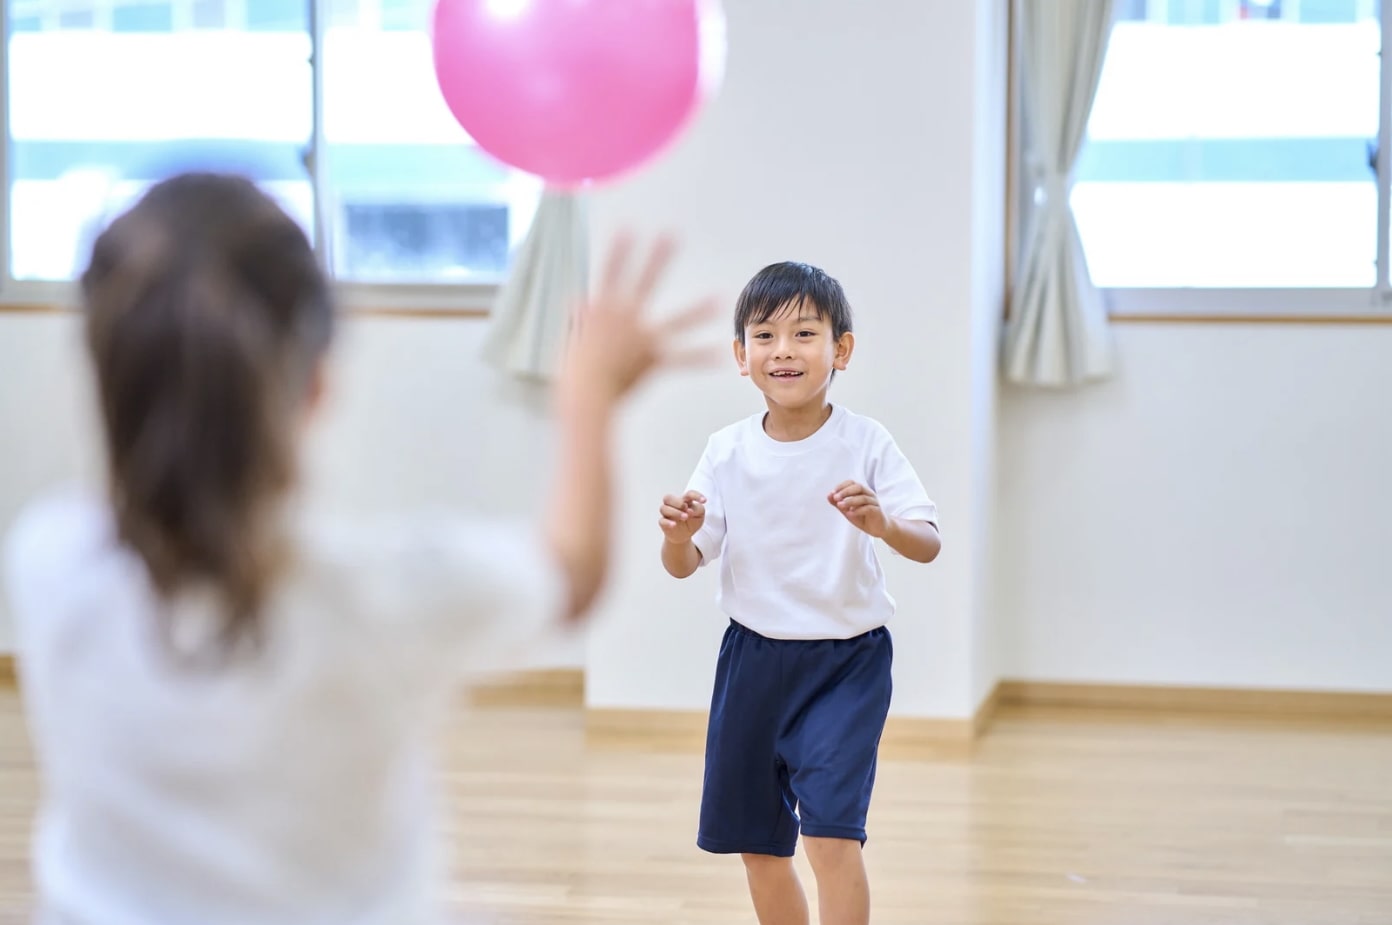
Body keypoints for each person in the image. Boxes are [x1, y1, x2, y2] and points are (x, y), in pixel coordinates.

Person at [1, 171, 718, 925]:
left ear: (103, 370)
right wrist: (589, 394)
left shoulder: (45, 559)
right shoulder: (385, 595)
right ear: (317, 383)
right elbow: (572, 571)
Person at [656, 261, 941, 925]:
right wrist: (678, 535)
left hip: (847, 663)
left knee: (831, 833)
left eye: (805, 333)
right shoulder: (725, 451)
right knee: (759, 846)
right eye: (765, 335)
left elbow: (927, 540)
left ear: (840, 349)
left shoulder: (866, 441)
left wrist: (881, 522)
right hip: (752, 663)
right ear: (741, 355)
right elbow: (684, 563)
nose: (783, 350)